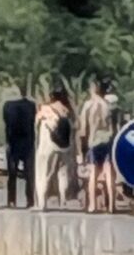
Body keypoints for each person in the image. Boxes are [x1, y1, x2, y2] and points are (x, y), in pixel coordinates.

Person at [79, 77, 117, 214]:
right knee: (108, 173)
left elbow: (83, 129)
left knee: (93, 173)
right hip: (107, 140)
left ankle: (92, 205)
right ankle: (112, 206)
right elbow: (113, 125)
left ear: (92, 89)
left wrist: (82, 148)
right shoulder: (108, 105)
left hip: (94, 142)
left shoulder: (88, 105)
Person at [34, 85, 75, 211]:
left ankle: (42, 203)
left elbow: (36, 124)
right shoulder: (67, 110)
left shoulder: (46, 108)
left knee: (43, 173)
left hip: (48, 146)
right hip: (65, 146)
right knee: (63, 173)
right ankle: (63, 201)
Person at [2, 81, 36, 208]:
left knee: (12, 173)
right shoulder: (31, 106)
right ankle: (30, 200)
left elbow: (6, 122)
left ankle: (11, 200)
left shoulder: (7, 106)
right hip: (27, 142)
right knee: (29, 173)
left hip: (12, 142)